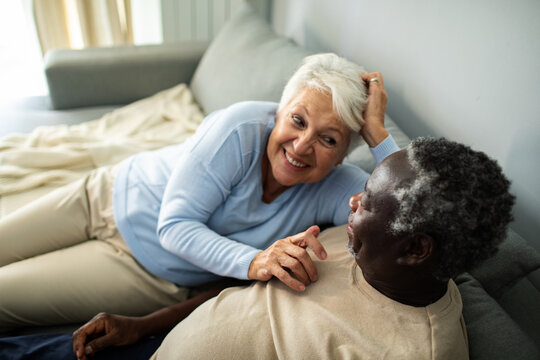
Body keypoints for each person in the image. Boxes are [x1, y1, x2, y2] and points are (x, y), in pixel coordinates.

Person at [0, 53, 400, 332]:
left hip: (144, 268)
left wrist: (378, 135)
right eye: (296, 120)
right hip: (103, 193)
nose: (300, 145)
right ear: (278, 111)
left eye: (328, 139)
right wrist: (256, 260)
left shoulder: (340, 186)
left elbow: (412, 206)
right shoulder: (241, 126)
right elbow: (176, 222)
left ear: (344, 154)